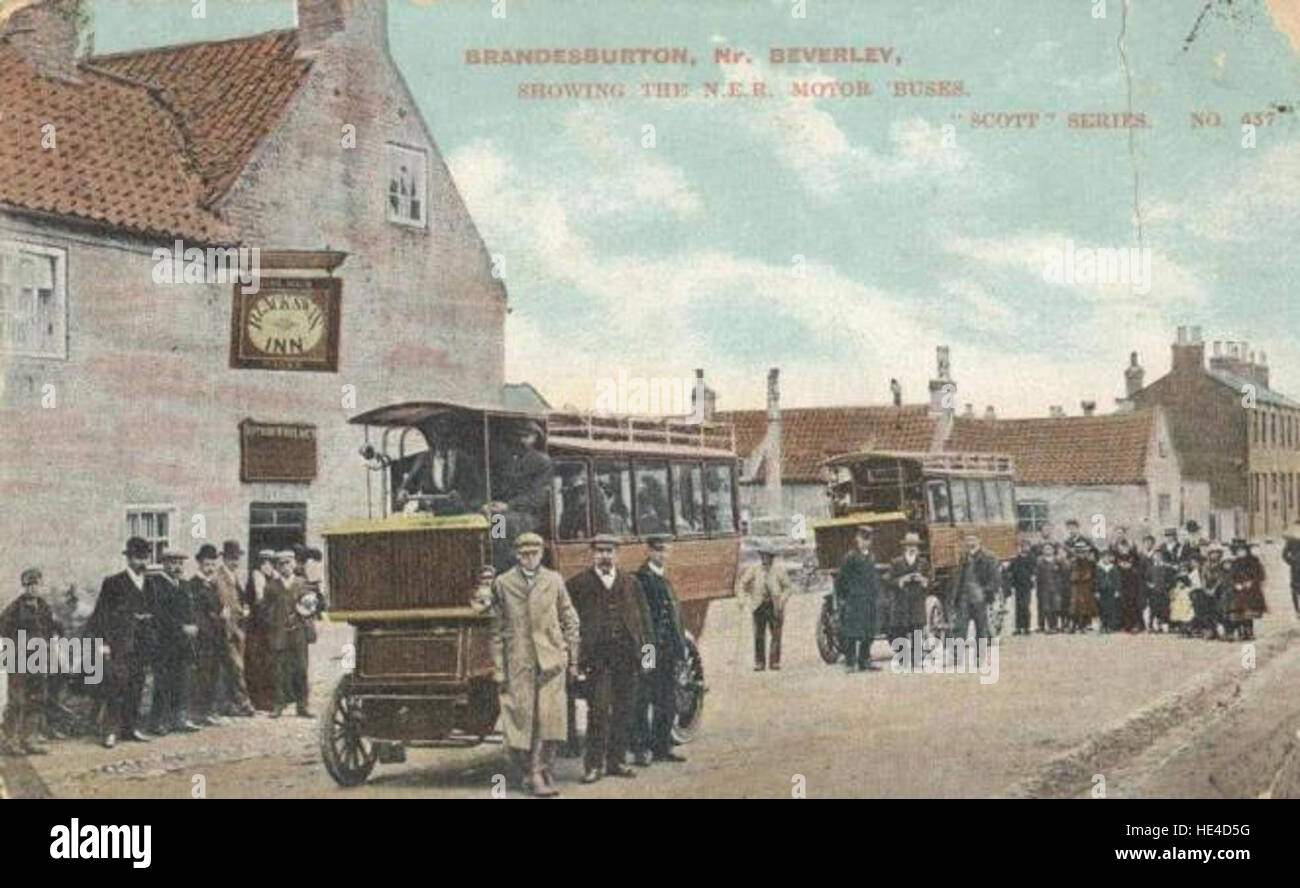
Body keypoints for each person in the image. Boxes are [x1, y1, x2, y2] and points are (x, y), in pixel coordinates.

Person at [487, 532, 579, 795]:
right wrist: (498, 668)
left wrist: (570, 657)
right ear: (517, 555)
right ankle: (529, 772)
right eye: (524, 554)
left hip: (550, 662)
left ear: (541, 554)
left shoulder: (554, 580)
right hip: (519, 662)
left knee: (548, 721)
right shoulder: (503, 584)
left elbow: (570, 618)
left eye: (534, 554)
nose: (529, 559)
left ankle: (539, 772)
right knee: (520, 720)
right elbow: (496, 631)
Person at [566, 534, 649, 784]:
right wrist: (575, 660)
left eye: (609, 551)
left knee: (625, 710)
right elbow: (568, 624)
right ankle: (594, 765)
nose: (605, 555)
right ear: (592, 553)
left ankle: (617, 761)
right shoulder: (578, 584)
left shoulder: (631, 583)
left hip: (627, 657)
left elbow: (645, 625)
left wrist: (648, 659)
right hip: (597, 660)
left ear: (617, 554)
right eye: (600, 551)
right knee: (599, 711)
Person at [86, 537, 156, 748]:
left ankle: (130, 728)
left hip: (142, 644)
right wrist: (103, 644)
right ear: (128, 559)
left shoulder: (150, 583)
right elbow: (101, 615)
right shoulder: (113, 582)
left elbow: (154, 612)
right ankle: (110, 731)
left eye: (144, 557)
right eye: (136, 557)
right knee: (117, 686)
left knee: (137, 685)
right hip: (119, 644)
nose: (140, 562)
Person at [631, 535, 688, 765]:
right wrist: (645, 648)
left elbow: (674, 616)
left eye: (666, 551)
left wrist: (679, 649)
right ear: (650, 551)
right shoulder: (641, 579)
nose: (663, 555)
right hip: (649, 647)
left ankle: (662, 746)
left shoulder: (664, 578)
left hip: (667, 649)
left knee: (667, 697)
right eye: (658, 551)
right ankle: (641, 748)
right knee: (644, 696)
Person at [1, 568, 57, 755]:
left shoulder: (44, 607)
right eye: (29, 585)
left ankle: (29, 739)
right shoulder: (15, 608)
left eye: (36, 584)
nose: (33, 589)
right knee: (17, 701)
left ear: (41, 586)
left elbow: (51, 629)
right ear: (24, 587)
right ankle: (11, 741)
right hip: (19, 660)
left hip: (38, 659)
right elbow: (4, 630)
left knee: (36, 699)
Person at [486, 420, 554, 571]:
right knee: (487, 517)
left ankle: (503, 566)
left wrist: (509, 505)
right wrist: (493, 503)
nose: (521, 440)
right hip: (508, 511)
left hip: (530, 515)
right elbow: (501, 489)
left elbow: (538, 496)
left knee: (500, 522)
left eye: (526, 436)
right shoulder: (509, 461)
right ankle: (492, 562)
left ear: (535, 438)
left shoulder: (542, 462)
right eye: (518, 436)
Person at [149, 550, 200, 735]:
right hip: (164, 642)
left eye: (180, 563)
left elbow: (190, 610)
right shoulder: (156, 585)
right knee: (163, 683)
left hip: (183, 643)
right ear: (163, 563)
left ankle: (179, 718)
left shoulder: (184, 585)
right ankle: (158, 721)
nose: (177, 567)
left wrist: (193, 624)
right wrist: (181, 627)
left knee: (182, 681)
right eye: (173, 563)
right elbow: (159, 615)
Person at [261, 551, 313, 718]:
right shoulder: (271, 587)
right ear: (277, 567)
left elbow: (311, 606)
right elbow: (264, 610)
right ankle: (279, 704)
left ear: (294, 564)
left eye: (288, 562)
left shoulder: (302, 583)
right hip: (279, 633)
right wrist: (274, 619)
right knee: (279, 669)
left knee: (301, 668)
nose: (285, 567)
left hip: (298, 633)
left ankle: (302, 705)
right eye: (281, 564)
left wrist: (302, 613)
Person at [737, 544, 793, 671]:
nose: (766, 559)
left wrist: (782, 599)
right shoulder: (754, 569)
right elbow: (742, 584)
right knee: (758, 635)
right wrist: (741, 598)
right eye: (763, 556)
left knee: (776, 634)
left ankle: (774, 662)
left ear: (772, 558)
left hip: (774, 605)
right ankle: (759, 662)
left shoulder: (779, 570)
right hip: (758, 605)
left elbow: (788, 587)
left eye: (768, 556)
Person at [214, 541, 255, 717]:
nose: (235, 562)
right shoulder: (219, 577)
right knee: (235, 666)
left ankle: (230, 705)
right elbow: (222, 602)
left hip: (238, 627)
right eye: (232, 559)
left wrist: (245, 607)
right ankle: (243, 703)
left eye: (237, 559)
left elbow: (241, 597)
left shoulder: (234, 576)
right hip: (226, 628)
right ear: (224, 558)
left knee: (235, 666)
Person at [835, 525, 882, 672]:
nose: (865, 542)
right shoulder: (850, 557)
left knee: (869, 632)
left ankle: (864, 660)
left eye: (868, 539)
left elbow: (874, 578)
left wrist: (876, 594)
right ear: (857, 539)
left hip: (869, 600)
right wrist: (843, 598)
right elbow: (841, 579)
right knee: (852, 633)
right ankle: (850, 663)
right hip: (854, 600)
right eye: (863, 539)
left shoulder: (871, 557)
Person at [188, 544, 225, 727]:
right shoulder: (193, 585)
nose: (210, 568)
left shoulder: (213, 584)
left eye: (212, 564)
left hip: (215, 636)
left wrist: (221, 615)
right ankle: (197, 713)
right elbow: (195, 613)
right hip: (203, 638)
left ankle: (209, 710)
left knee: (213, 675)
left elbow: (217, 608)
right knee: (201, 676)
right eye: (207, 564)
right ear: (199, 564)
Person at [948, 533, 1000, 665]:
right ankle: (957, 656)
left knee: (981, 628)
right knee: (960, 628)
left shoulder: (989, 557)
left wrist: (986, 592)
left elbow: (995, 579)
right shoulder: (963, 558)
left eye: (973, 540)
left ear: (979, 541)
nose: (970, 543)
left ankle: (980, 657)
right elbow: (958, 579)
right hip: (964, 598)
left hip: (979, 599)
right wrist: (955, 597)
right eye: (967, 540)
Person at [888, 532, 932, 651]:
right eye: (909, 545)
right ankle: (902, 656)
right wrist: (901, 580)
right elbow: (889, 581)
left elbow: (930, 581)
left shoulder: (923, 563)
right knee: (901, 629)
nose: (912, 548)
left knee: (917, 628)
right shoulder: (896, 562)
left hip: (917, 601)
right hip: (902, 602)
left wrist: (923, 580)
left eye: (915, 545)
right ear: (905, 547)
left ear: (918, 548)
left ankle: (917, 656)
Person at [1226, 538, 1267, 640]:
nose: (1241, 552)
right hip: (1238, 589)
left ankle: (1249, 630)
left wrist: (1252, 582)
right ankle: (1241, 630)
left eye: (1242, 549)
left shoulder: (1254, 561)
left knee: (1249, 609)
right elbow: (1230, 576)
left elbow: (1260, 574)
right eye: (1238, 550)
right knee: (1238, 608)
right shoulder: (1235, 563)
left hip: (1251, 589)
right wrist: (1236, 584)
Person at [1067, 540, 1099, 633]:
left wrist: (1095, 587)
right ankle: (1073, 625)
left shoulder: (1090, 562)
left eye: (1083, 551)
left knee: (1085, 605)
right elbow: (1068, 574)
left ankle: (1083, 625)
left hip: (1086, 585)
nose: (1081, 553)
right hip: (1075, 585)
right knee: (1074, 605)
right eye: (1078, 551)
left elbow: (1095, 575)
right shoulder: (1072, 562)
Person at [1006, 537, 1035, 635]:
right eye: (1022, 546)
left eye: (1026, 546)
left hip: (1027, 585)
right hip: (1017, 586)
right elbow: (1009, 570)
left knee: (1025, 606)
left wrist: (1033, 578)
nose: (1024, 548)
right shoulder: (1015, 559)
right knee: (1017, 607)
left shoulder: (1031, 558)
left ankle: (1026, 627)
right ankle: (1018, 627)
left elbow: (1034, 571)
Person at [1035, 542, 1063, 633]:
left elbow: (1063, 573)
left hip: (1056, 587)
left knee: (1055, 607)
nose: (1048, 550)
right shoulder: (1039, 561)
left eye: (1050, 548)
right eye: (1046, 549)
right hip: (1044, 587)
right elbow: (1037, 575)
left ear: (1053, 550)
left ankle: (1054, 626)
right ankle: (1048, 626)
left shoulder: (1058, 560)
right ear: (1043, 551)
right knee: (1046, 607)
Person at [1095, 550, 1119, 633]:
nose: (1107, 559)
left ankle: (1109, 626)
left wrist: (1117, 590)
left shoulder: (1113, 568)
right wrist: (1096, 591)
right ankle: (1103, 625)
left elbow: (1117, 580)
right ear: (1102, 558)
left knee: (1110, 608)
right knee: (1102, 608)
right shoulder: (1098, 568)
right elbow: (1096, 580)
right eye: (1104, 557)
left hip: (1111, 590)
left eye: (1108, 557)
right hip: (1102, 590)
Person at [1284, 526, 1300, 617]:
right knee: (1295, 589)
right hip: (1296, 569)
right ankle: (1297, 611)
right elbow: (1284, 554)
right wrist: (1291, 562)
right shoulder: (1292, 541)